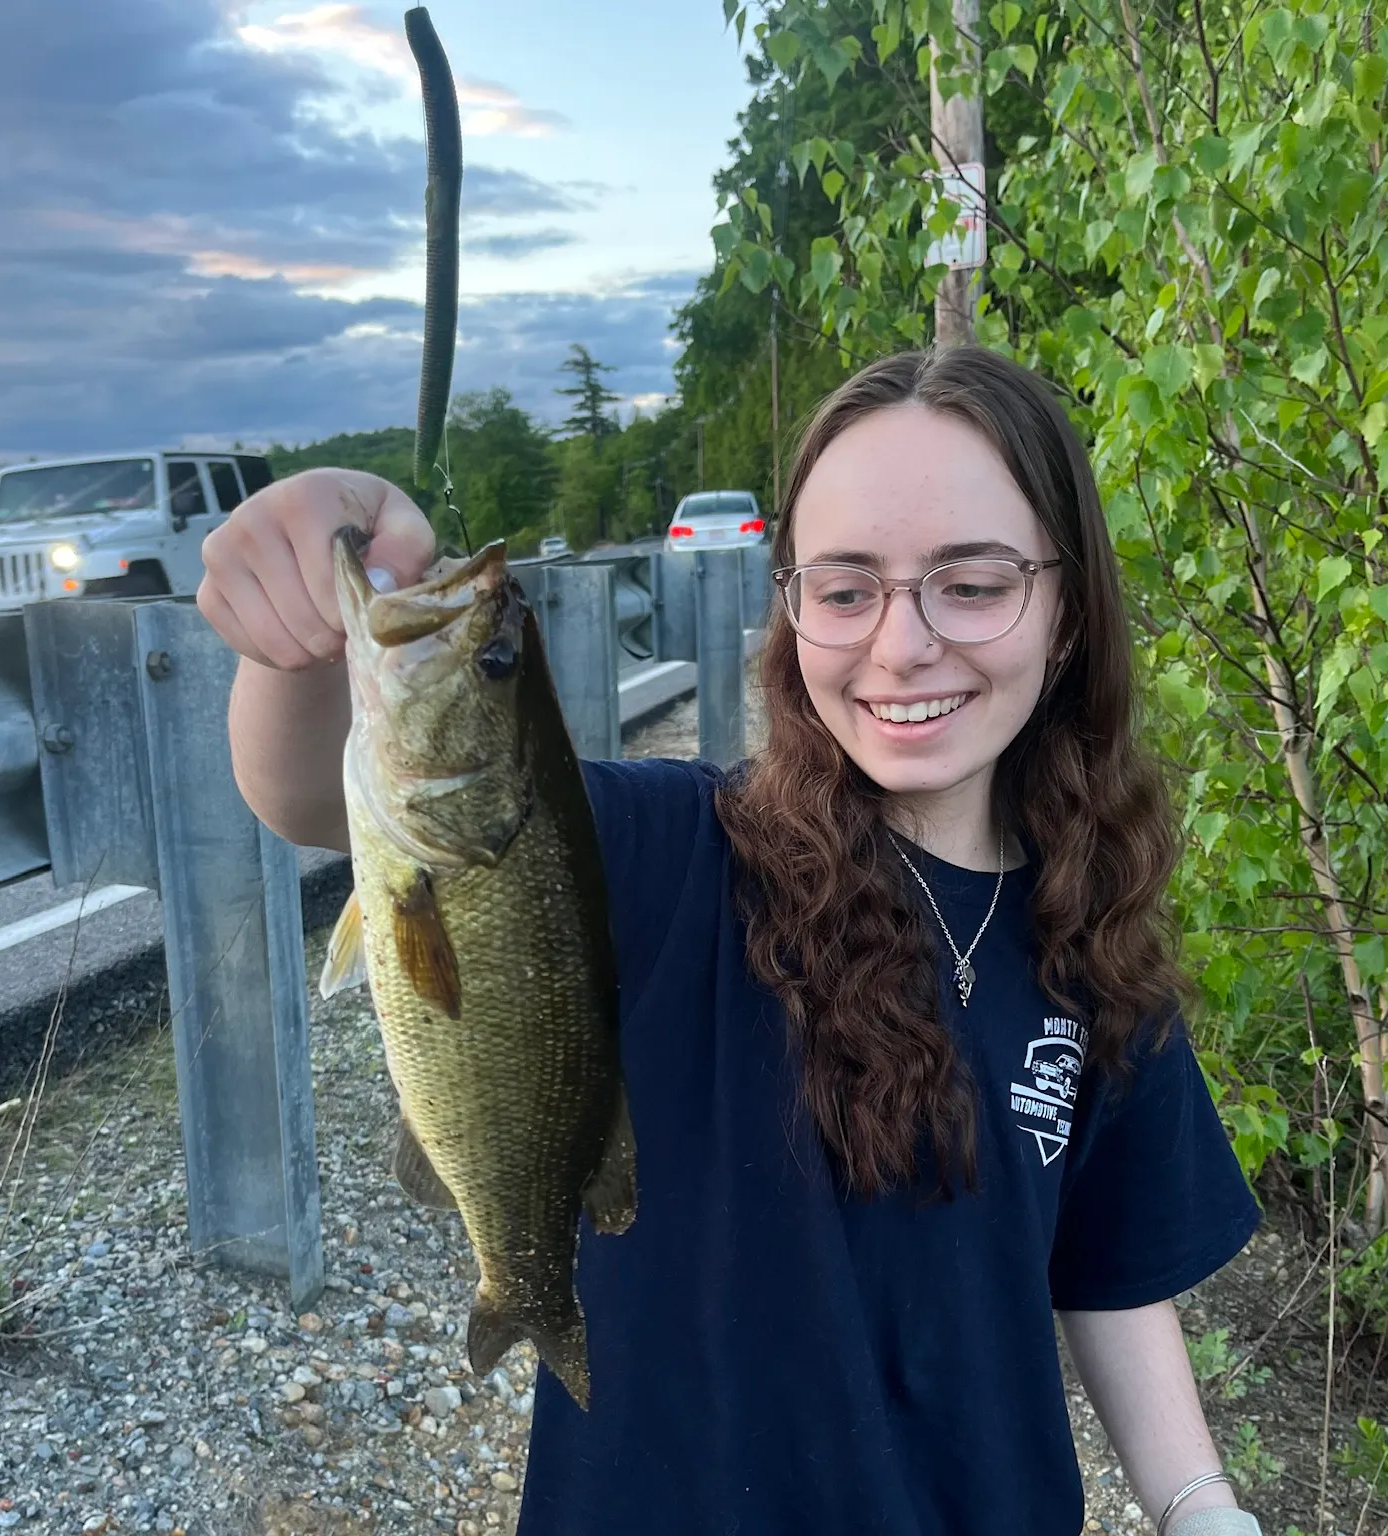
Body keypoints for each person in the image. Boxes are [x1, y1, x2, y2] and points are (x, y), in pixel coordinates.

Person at [199, 346, 1263, 1536]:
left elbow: (1112, 1272)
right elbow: (307, 795)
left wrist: (1200, 1503)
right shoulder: (678, 854)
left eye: (972, 585)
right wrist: (308, 592)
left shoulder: (1095, 935)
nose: (901, 645)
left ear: (1066, 615)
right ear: (792, 610)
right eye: (845, 590)